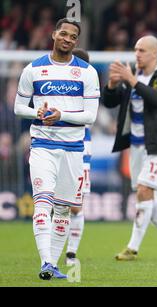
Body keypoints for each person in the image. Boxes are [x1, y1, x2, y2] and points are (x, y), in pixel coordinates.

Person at [14, 18, 100, 280]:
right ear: (53, 34)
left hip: (73, 149)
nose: (68, 39)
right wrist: (37, 113)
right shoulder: (33, 69)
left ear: (76, 41)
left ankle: (53, 263)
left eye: (73, 36)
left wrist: (60, 113)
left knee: (63, 209)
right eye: (63, 33)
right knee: (43, 201)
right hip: (42, 145)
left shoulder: (87, 72)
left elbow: (91, 116)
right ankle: (46, 262)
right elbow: (18, 107)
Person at [102, 35, 157, 261]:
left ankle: (133, 248)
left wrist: (131, 80)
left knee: (143, 191)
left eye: (141, 50)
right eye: (135, 49)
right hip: (137, 145)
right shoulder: (134, 74)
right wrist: (112, 85)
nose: (136, 54)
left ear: (154, 53)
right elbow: (110, 102)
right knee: (146, 195)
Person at [64, 48, 92, 265]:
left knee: (75, 205)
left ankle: (71, 253)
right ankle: (52, 251)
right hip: (56, 145)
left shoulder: (89, 86)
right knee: (58, 203)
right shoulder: (59, 84)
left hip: (81, 147)